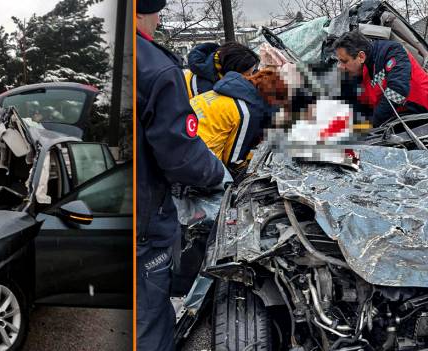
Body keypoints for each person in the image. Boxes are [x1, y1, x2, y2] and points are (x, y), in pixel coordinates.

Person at [136, 1, 227, 350]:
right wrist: (218, 175)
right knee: (150, 319)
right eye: (157, 12)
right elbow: (181, 154)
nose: (159, 20)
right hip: (145, 223)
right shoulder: (157, 68)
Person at [333, 31, 428, 127]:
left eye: (344, 61)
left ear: (361, 57)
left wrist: (370, 125)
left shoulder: (391, 51)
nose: (340, 67)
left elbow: (398, 91)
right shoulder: (359, 70)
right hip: (405, 118)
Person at [191, 69, 288, 167]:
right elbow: (233, 160)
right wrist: (254, 157)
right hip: (194, 155)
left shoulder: (230, 86)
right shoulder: (246, 113)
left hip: (182, 132)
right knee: (227, 179)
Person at [184, 41, 260, 98]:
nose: (251, 78)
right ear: (233, 71)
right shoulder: (206, 88)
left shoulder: (216, 67)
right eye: (247, 75)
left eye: (252, 73)